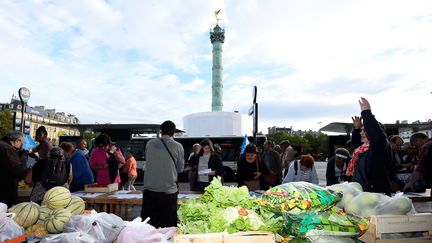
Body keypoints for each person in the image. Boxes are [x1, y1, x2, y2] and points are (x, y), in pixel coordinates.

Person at [141, 120, 184, 228]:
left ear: (161, 131)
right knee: (167, 227)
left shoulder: (149, 144)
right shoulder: (178, 146)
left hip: (149, 192)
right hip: (168, 192)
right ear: (173, 132)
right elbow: (180, 169)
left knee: (148, 226)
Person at [346, 97, 392, 195]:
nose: (361, 133)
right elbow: (356, 145)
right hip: (362, 193)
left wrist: (366, 112)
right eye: (361, 131)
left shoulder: (380, 146)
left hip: (376, 195)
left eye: (364, 130)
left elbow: (376, 133)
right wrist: (357, 128)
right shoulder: (363, 148)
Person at [0, 131, 31, 207]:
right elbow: (16, 169)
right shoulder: (8, 149)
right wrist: (27, 171)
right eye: (21, 142)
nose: (21, 145)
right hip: (4, 187)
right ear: (17, 141)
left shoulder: (3, 145)